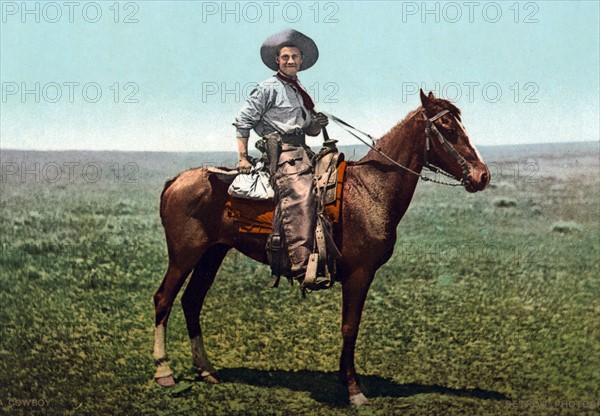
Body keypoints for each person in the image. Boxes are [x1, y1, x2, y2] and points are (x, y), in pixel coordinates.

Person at [233, 29, 329, 289]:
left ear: (301, 61)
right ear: (277, 60)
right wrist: (243, 157)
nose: (290, 61)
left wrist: (317, 124)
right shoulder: (267, 88)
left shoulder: (298, 90)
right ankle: (301, 266)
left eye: (295, 57)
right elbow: (243, 122)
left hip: (303, 151)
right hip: (284, 156)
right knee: (301, 193)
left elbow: (308, 129)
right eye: (285, 57)